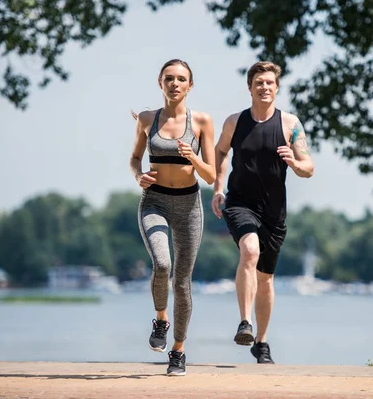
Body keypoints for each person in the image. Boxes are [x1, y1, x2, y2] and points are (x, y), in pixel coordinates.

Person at [211, 61, 314, 364]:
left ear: (277, 87)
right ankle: (245, 323)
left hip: (274, 211)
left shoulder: (290, 125)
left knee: (266, 279)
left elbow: (309, 166)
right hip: (240, 202)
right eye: (259, 83)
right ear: (250, 88)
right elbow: (219, 152)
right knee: (250, 250)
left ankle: (262, 342)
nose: (264, 87)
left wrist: (295, 164)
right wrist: (218, 188)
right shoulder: (234, 122)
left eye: (269, 83)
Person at [130, 59, 215, 376]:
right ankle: (161, 318)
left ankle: (178, 352)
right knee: (162, 264)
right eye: (169, 78)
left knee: (182, 282)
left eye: (181, 79)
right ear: (160, 82)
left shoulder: (202, 121)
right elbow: (135, 157)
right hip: (155, 203)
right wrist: (138, 174)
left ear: (190, 86)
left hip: (189, 206)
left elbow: (210, 176)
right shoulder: (148, 119)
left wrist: (193, 156)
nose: (175, 83)